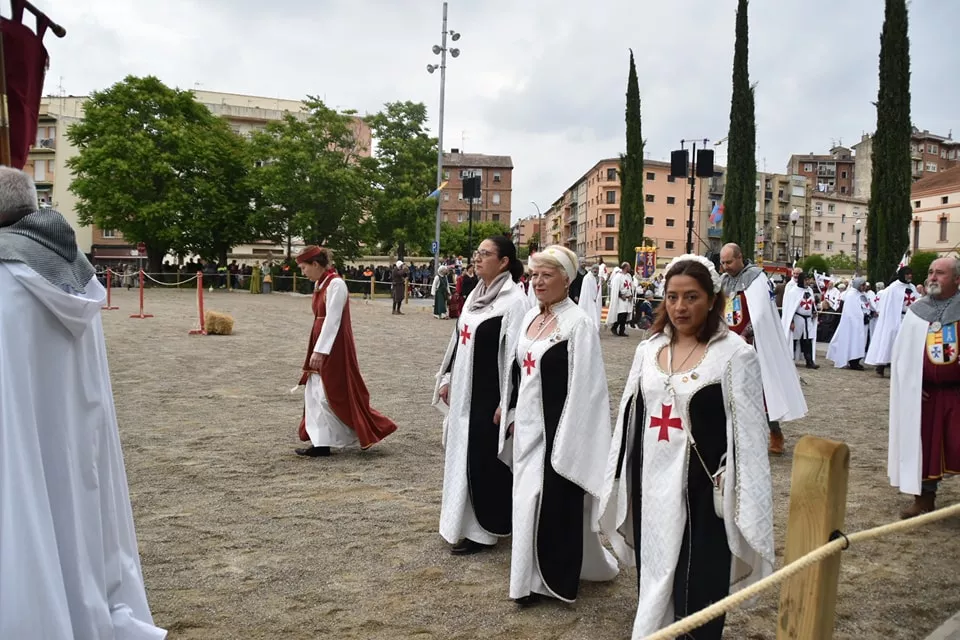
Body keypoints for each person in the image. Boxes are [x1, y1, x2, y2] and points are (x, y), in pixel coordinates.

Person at [0, 167, 166, 638]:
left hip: (19, 437)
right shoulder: (74, 273)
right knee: (77, 524)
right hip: (74, 436)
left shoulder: (7, 277)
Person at [600, 254, 774, 640]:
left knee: (698, 579)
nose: (680, 307)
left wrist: (736, 479)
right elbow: (632, 414)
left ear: (712, 300)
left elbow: (749, 433)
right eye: (673, 297)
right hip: (650, 483)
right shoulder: (649, 349)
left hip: (701, 489)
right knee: (655, 569)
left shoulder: (735, 354)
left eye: (692, 297)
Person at [502, 245, 619, 606]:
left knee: (550, 503)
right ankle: (525, 579)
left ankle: (550, 580)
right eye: (534, 275)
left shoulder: (578, 324)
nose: (537, 282)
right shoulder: (529, 317)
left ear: (566, 280)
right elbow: (516, 370)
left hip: (557, 430)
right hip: (526, 428)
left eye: (546, 275)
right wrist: (509, 410)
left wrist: (569, 436)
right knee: (524, 501)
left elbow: (588, 386)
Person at [432, 236, 528, 555]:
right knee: (460, 455)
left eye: (485, 254)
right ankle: (458, 522)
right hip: (463, 392)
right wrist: (447, 377)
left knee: (483, 460)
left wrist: (509, 403)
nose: (477, 258)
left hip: (489, 396)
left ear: (504, 262)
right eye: (477, 253)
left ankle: (482, 531)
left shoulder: (515, 301)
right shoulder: (476, 294)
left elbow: (516, 357)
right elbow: (458, 339)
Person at [294, 245, 397, 457]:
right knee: (315, 392)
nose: (303, 272)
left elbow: (333, 319)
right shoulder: (320, 284)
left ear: (316, 264)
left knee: (330, 393)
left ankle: (363, 429)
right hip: (320, 341)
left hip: (334, 346)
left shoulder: (336, 284)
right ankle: (320, 442)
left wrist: (321, 351)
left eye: (304, 267)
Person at [888, 257, 960, 519]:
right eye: (930, 272)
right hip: (926, 395)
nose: (932, 277)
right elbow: (902, 356)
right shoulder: (917, 312)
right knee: (925, 447)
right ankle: (924, 499)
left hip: (957, 393)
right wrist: (910, 386)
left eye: (940, 273)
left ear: (957, 279)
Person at [719, 243, 807, 454]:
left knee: (763, 390)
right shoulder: (724, 280)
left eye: (729, 262)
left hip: (754, 344)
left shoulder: (756, 278)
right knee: (728, 389)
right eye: (723, 263)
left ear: (740, 257)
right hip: (727, 342)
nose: (726, 266)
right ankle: (731, 436)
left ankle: (775, 432)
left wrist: (745, 334)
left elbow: (761, 314)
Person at [866, 266, 917, 377]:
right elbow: (887, 305)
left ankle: (902, 368)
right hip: (894, 319)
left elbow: (916, 301)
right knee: (890, 341)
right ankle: (881, 366)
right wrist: (890, 320)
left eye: (911, 273)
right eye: (907, 274)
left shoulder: (912, 287)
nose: (910, 276)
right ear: (902, 275)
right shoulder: (893, 288)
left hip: (908, 318)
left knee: (906, 344)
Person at [826, 277, 870, 370]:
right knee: (853, 341)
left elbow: (865, 305)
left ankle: (856, 360)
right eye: (862, 285)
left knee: (859, 342)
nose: (864, 287)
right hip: (852, 324)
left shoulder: (861, 294)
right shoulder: (851, 295)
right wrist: (860, 316)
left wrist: (869, 313)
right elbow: (852, 311)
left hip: (861, 323)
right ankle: (853, 361)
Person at [780, 272, 819, 368]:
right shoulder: (793, 292)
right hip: (797, 318)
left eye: (809, 280)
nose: (808, 282)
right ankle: (789, 359)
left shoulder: (809, 290)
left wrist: (813, 311)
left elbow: (811, 303)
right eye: (806, 280)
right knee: (794, 340)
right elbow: (790, 308)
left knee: (807, 340)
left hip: (807, 319)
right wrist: (791, 321)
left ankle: (809, 361)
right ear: (801, 280)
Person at [606, 262, 635, 337]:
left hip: (627, 299)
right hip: (621, 299)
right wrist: (621, 295)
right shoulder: (618, 277)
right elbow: (615, 289)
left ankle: (622, 331)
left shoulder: (628, 276)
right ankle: (614, 327)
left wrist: (631, 295)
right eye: (629, 266)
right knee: (621, 316)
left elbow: (630, 287)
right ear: (625, 267)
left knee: (625, 316)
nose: (630, 268)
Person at [577, 263, 603, 328]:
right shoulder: (587, 278)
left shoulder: (599, 279)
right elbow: (586, 291)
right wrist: (592, 298)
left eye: (597, 269)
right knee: (589, 315)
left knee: (595, 316)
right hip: (588, 301)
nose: (595, 270)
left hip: (596, 301)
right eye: (594, 269)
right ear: (591, 269)